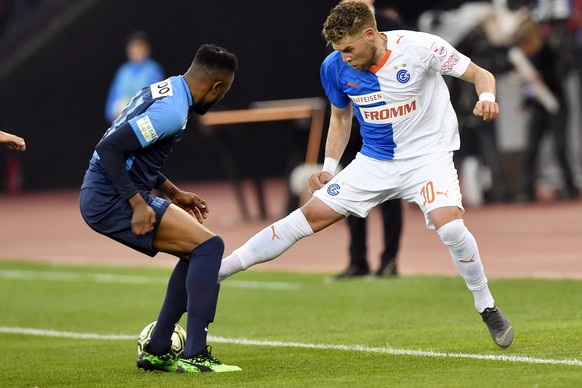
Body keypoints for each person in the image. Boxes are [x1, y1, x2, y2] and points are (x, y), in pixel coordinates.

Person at [219, 0, 514, 348]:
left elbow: (481, 74)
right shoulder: (333, 66)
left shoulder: (421, 48)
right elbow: (341, 118)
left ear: (371, 34)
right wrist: (328, 168)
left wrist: (488, 96)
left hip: (427, 157)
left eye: (349, 48)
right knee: (306, 216)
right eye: (338, 50)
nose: (344, 57)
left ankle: (487, 307)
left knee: (450, 226)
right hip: (374, 162)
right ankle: (217, 272)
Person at [80, 44, 242, 373]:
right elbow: (110, 149)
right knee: (210, 248)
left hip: (110, 189)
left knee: (197, 249)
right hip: (110, 195)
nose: (220, 98)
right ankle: (195, 353)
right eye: (224, 92)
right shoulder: (172, 111)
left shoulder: (166, 88)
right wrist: (137, 203)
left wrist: (172, 191)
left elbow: (135, 154)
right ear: (216, 87)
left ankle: (156, 350)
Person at [335, 0, 406, 279]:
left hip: (388, 129)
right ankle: (357, 261)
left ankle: (389, 261)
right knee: (351, 191)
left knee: (390, 196)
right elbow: (337, 78)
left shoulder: (392, 28)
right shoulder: (338, 29)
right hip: (353, 127)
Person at [513, 17, 580, 202]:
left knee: (560, 146)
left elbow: (561, 74)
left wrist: (542, 77)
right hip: (538, 107)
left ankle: (572, 188)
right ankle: (526, 191)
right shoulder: (526, 56)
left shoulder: (550, 49)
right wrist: (525, 103)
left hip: (556, 105)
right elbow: (529, 86)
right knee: (531, 149)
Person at [105, 30, 165, 123]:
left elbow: (154, 99)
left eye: (140, 46)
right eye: (134, 47)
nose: (137, 50)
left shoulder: (154, 69)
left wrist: (132, 109)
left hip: (143, 122)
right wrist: (115, 111)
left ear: (147, 48)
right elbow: (112, 101)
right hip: (122, 122)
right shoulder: (123, 71)